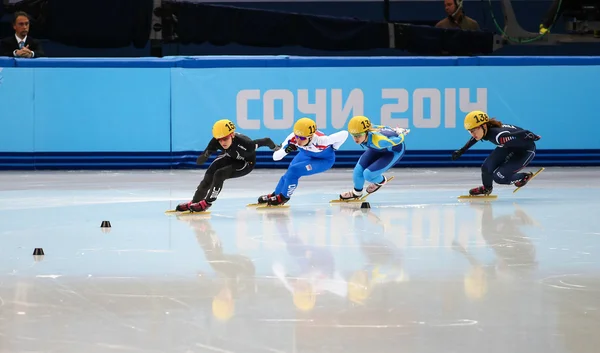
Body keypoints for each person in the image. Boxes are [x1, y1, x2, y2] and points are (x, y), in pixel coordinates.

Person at [175, 119, 280, 212]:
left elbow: (266, 140)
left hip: (246, 163)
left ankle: (207, 203)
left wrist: (276, 148)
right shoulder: (216, 141)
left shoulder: (247, 144)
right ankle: (195, 202)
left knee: (220, 174)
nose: (222, 142)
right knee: (210, 174)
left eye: (225, 138)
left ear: (232, 135)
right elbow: (202, 158)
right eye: (219, 139)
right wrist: (205, 155)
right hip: (230, 156)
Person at [257, 117, 348, 206]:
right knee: (289, 172)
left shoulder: (322, 141)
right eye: (297, 136)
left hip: (324, 160)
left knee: (294, 170)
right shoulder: (292, 138)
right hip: (306, 154)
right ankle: (276, 194)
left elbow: (345, 134)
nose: (298, 140)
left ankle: (284, 197)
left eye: (303, 138)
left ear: (311, 136)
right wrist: (286, 150)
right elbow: (275, 157)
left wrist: (335, 147)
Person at [451, 110, 541, 196]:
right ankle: (487, 188)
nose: (472, 134)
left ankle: (524, 176)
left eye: (474, 130)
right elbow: (476, 137)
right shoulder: (485, 131)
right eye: (470, 131)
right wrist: (462, 150)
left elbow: (523, 133)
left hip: (525, 151)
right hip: (509, 147)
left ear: (484, 126)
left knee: (500, 177)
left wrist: (532, 136)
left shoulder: (499, 136)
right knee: (486, 167)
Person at [338, 116, 410, 200]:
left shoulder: (380, 141)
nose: (356, 139)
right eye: (353, 135)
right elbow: (380, 127)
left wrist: (400, 132)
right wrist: (390, 128)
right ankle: (356, 193)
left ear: (366, 132)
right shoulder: (368, 129)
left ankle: (381, 180)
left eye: (359, 135)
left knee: (368, 174)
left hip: (393, 152)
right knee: (358, 171)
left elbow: (399, 139)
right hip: (377, 148)